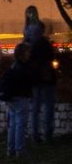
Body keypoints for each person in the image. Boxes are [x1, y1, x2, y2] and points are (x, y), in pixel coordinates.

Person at [0, 40, 33, 158]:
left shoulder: (13, 66)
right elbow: (26, 82)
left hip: (11, 98)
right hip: (21, 98)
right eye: (27, 52)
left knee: (12, 125)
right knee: (20, 125)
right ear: (22, 54)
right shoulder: (23, 67)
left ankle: (10, 149)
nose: (29, 54)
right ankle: (20, 150)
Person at [25, 12, 57, 144]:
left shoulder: (30, 47)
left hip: (35, 80)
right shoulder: (46, 44)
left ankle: (35, 134)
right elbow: (52, 60)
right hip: (48, 80)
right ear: (43, 30)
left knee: (36, 108)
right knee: (48, 106)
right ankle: (47, 134)